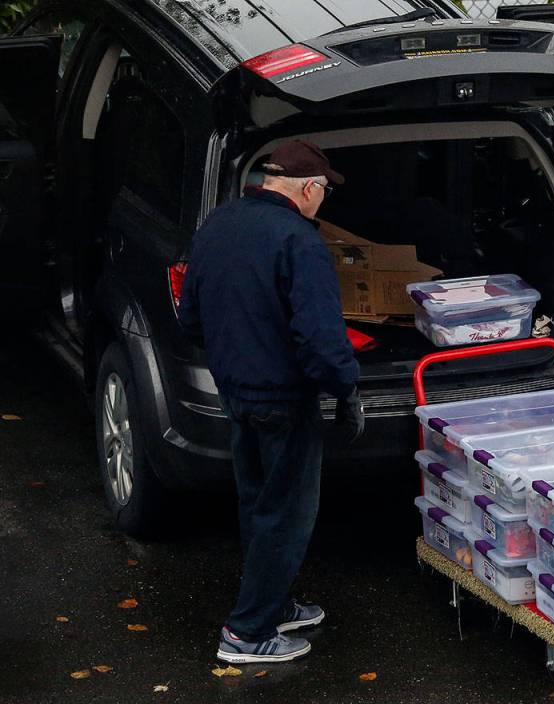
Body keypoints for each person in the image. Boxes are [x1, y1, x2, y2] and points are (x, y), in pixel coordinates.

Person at [178, 140, 362, 663]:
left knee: (259, 505)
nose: (323, 200)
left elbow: (190, 315)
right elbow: (320, 336)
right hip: (284, 399)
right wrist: (345, 386)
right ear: (307, 189)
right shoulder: (300, 241)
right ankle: (248, 632)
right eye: (323, 190)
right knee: (286, 514)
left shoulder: (218, 224)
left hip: (237, 391)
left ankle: (274, 603)